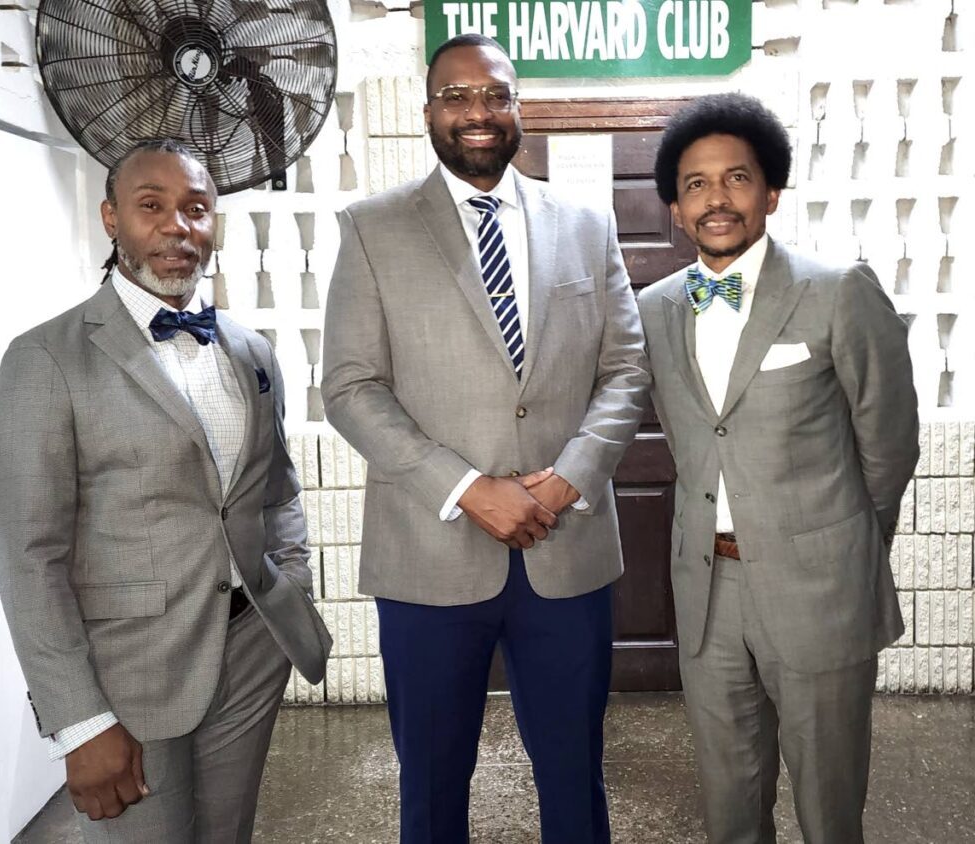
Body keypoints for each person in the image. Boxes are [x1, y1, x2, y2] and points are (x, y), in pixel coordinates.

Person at [321, 33, 650, 844]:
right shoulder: (372, 229)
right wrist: (467, 488)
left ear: (517, 108)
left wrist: (570, 477)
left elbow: (627, 369)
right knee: (432, 783)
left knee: (574, 773)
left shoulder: (585, 224)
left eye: (495, 95)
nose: (478, 111)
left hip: (565, 549)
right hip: (428, 559)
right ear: (429, 111)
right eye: (458, 96)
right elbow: (351, 388)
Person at [0, 138, 331, 843]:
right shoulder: (44, 359)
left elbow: (276, 490)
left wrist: (290, 582)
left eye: (196, 208)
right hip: (127, 676)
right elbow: (30, 559)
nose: (178, 226)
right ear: (112, 218)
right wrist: (80, 720)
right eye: (152, 206)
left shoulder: (250, 350)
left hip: (251, 649)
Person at [637, 93, 920, 843]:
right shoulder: (655, 308)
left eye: (736, 178)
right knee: (730, 807)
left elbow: (890, 443)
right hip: (708, 591)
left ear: (770, 192)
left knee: (830, 809)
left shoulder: (837, 291)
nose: (716, 198)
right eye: (696, 184)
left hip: (820, 589)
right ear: (675, 208)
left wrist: (846, 547)